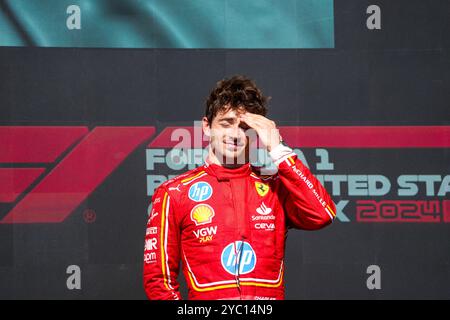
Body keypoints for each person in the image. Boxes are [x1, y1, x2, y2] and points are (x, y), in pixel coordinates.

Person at [143, 75, 336, 300]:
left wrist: (278, 147)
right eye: (226, 123)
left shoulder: (275, 187)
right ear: (206, 127)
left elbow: (322, 215)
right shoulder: (174, 192)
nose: (235, 134)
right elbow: (159, 281)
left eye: (245, 127)